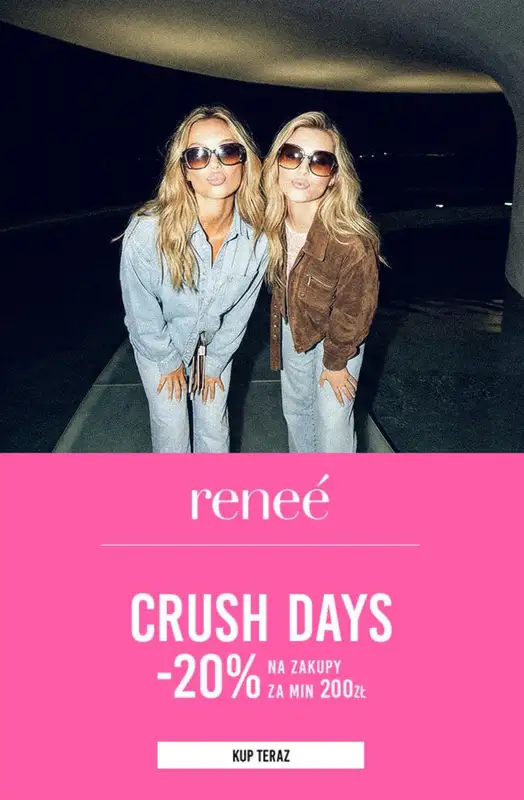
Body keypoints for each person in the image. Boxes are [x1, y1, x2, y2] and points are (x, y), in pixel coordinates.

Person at [119, 106, 267, 453]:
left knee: (214, 430)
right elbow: (140, 310)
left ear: (244, 161)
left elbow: (241, 312)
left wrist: (214, 362)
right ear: (184, 169)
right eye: (199, 155)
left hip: (214, 346)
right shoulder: (148, 231)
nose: (215, 165)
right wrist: (167, 361)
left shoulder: (258, 237)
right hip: (159, 345)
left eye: (227, 151)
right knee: (172, 432)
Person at [262, 111, 380, 453]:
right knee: (297, 414)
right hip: (293, 328)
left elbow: (354, 310)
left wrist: (337, 361)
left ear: (333, 177)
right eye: (292, 155)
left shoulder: (350, 240)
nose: (303, 170)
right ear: (276, 163)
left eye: (320, 161)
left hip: (339, 339)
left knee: (332, 425)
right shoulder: (269, 223)